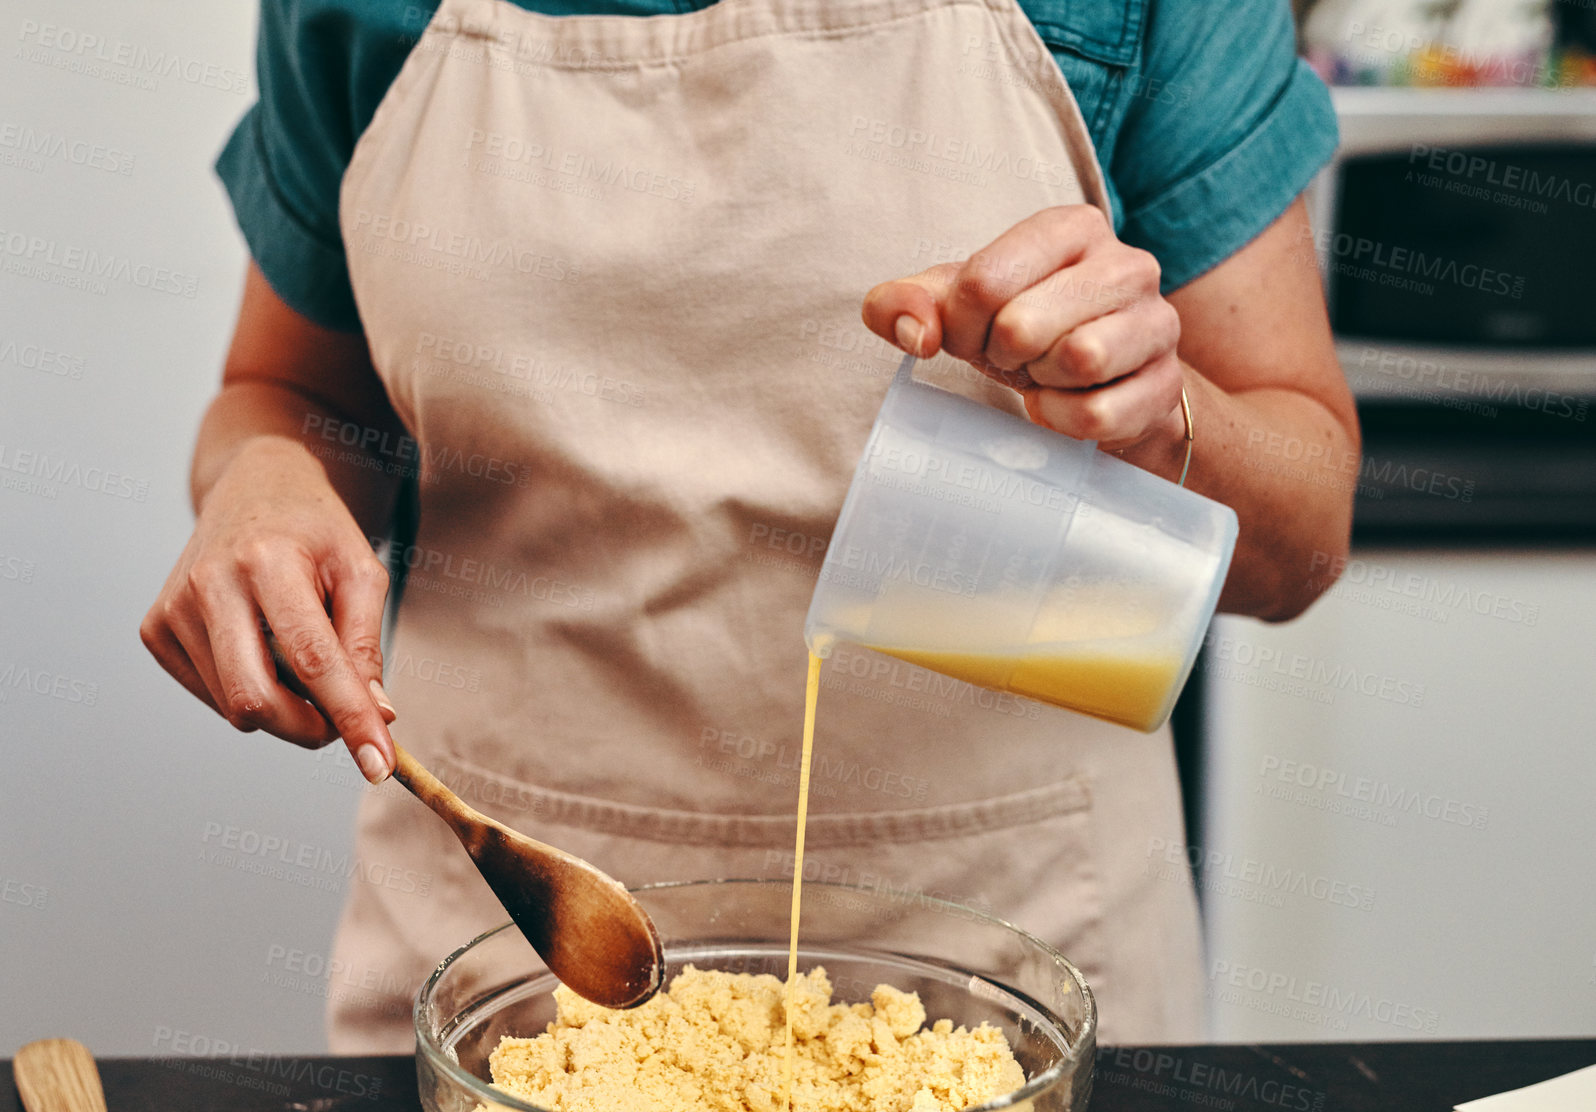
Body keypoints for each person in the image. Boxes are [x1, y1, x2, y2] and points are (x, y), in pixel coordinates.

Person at [142, 0, 1359, 1052]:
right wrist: (260, 472)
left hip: (1005, 964)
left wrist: (1156, 416)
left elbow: (1299, 543)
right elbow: (294, 394)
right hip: (511, 956)